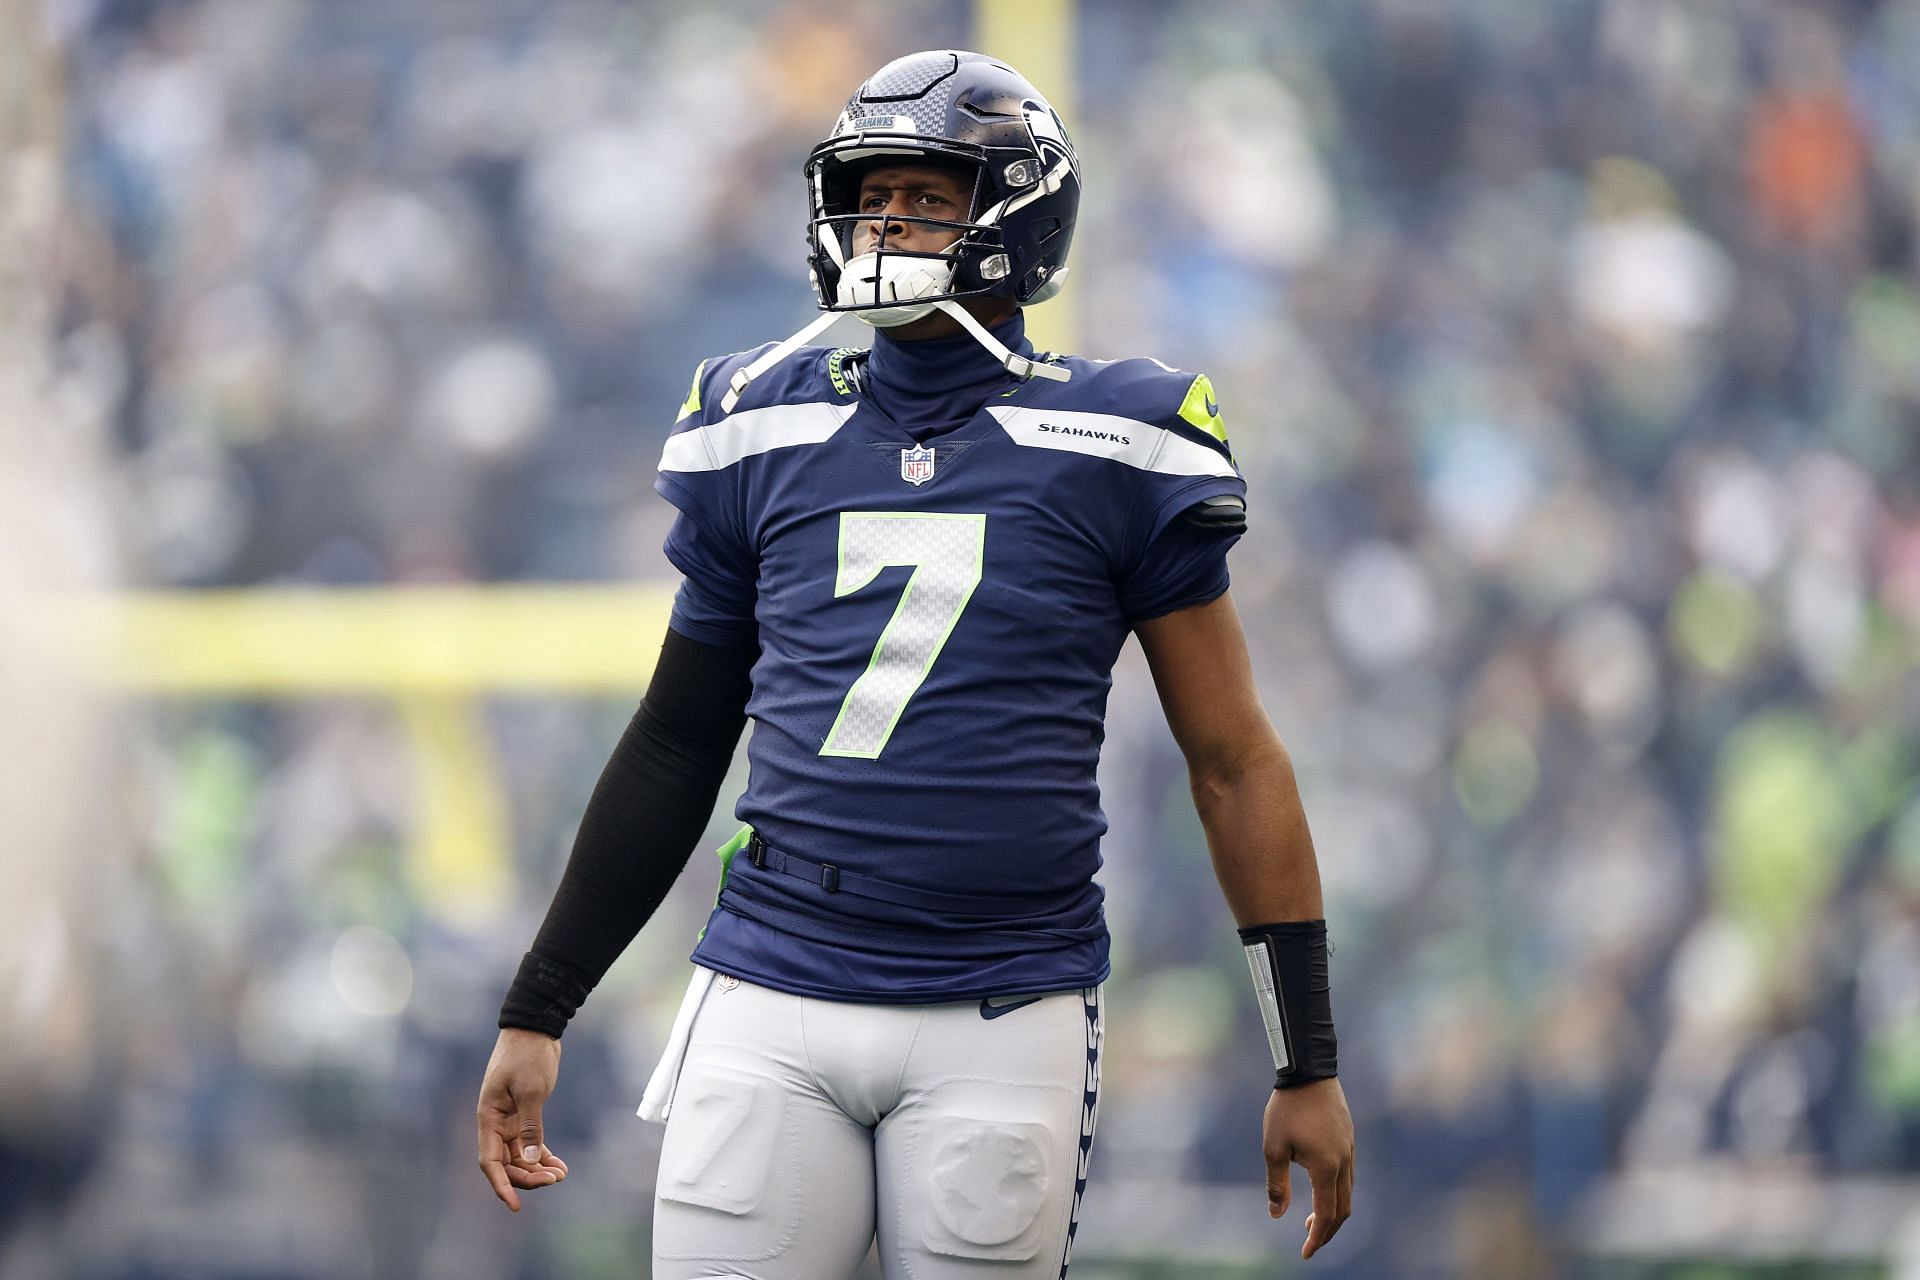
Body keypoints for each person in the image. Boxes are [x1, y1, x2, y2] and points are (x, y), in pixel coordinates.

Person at [476, 49, 1355, 1278]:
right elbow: (679, 736)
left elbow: (1230, 756)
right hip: (771, 985)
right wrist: (543, 999)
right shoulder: (763, 420)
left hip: (999, 1005)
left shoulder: (1117, 435)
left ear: (1018, 215)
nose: (886, 221)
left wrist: (1304, 1055)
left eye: (928, 196)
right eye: (870, 193)